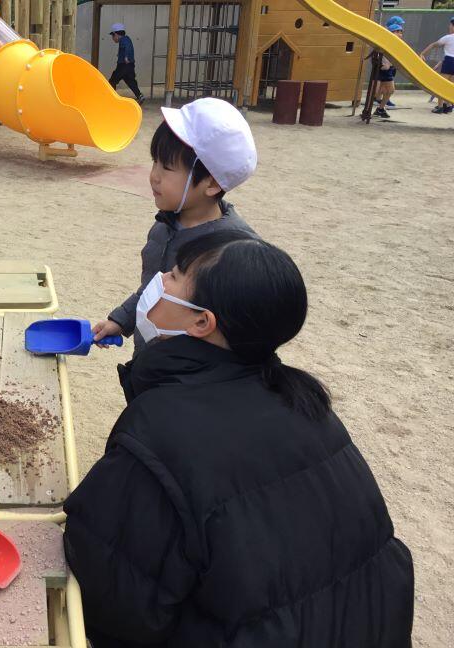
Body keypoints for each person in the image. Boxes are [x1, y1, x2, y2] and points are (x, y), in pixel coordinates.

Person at [64, 230, 415, 647]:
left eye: (175, 275)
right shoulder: (305, 402)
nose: (161, 278)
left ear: (201, 321)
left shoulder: (161, 426)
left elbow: (110, 585)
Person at [93, 97, 257, 353]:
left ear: (211, 184)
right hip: (150, 361)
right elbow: (152, 291)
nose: (154, 175)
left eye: (167, 167)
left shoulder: (234, 250)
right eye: (154, 161)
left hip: (193, 378)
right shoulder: (164, 226)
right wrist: (120, 320)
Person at [419, 16, 454, 114]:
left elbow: (433, 45)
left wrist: (422, 53)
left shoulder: (448, 37)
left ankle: (440, 106)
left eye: (450, 25)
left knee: (442, 84)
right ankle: (449, 105)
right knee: (451, 85)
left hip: (449, 60)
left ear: (452, 26)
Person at [107, 23, 144, 105]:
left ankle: (111, 99)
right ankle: (140, 95)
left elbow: (127, 47)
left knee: (113, 80)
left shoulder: (124, 40)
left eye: (112, 36)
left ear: (116, 34)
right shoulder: (127, 39)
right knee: (131, 82)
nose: (113, 38)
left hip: (123, 65)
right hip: (130, 66)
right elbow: (126, 48)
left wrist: (126, 57)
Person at [374, 23, 405, 119]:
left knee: (384, 90)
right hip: (385, 69)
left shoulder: (397, 44)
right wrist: (385, 64)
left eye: (401, 32)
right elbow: (381, 53)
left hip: (389, 68)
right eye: (397, 32)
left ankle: (380, 108)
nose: (400, 34)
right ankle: (380, 107)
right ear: (390, 33)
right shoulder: (387, 42)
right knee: (390, 90)